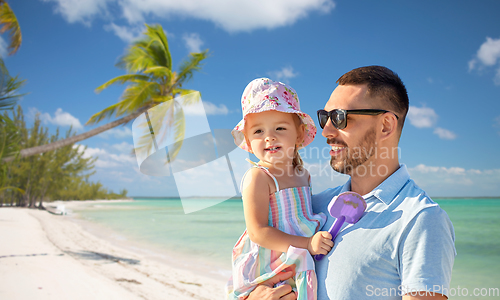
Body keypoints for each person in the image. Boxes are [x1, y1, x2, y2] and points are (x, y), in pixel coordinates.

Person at [247, 66, 456, 300]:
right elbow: (261, 266)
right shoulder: (312, 208)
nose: (325, 131)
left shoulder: (421, 220)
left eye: (339, 117)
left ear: (386, 125)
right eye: (325, 117)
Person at [226, 78, 335, 300]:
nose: (269, 136)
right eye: (258, 131)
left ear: (298, 133)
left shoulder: (303, 174)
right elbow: (258, 232)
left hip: (297, 255)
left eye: (280, 128)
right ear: (247, 139)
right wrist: (307, 244)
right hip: (271, 261)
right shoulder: (259, 177)